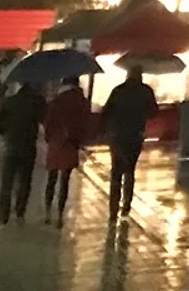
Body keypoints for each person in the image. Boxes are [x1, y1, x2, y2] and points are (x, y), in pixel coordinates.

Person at [101, 68, 156, 218]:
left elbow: (106, 112)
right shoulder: (146, 91)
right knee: (130, 170)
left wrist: (107, 129)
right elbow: (154, 111)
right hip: (135, 136)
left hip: (118, 136)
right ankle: (126, 205)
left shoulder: (118, 91)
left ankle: (113, 209)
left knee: (116, 172)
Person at [0, 81, 46, 224]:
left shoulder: (11, 102)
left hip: (11, 145)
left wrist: (6, 133)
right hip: (28, 146)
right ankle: (20, 212)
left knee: (7, 182)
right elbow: (44, 120)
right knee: (25, 181)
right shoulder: (38, 102)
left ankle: (3, 216)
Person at [41, 77, 90, 226]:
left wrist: (48, 138)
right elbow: (85, 123)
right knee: (65, 180)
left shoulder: (57, 101)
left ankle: (48, 213)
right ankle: (60, 216)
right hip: (71, 144)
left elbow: (48, 122)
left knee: (52, 178)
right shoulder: (82, 101)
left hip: (56, 142)